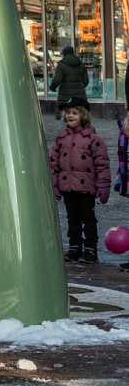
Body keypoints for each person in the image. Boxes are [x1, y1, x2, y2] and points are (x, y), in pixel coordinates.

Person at [50, 96, 110, 263]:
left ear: (83, 115)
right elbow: (53, 162)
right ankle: (74, 246)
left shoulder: (93, 139)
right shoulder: (61, 138)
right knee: (72, 218)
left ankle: (90, 249)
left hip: (87, 187)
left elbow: (102, 163)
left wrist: (103, 184)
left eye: (74, 113)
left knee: (88, 218)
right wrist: (54, 182)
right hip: (67, 186)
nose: (70, 116)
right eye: (68, 113)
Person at [50, 46, 89, 116]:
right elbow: (86, 81)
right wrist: (80, 87)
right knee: (79, 117)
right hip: (80, 97)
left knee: (65, 117)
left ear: (64, 54)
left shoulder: (61, 65)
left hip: (65, 96)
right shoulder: (81, 65)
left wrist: (52, 88)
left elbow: (57, 80)